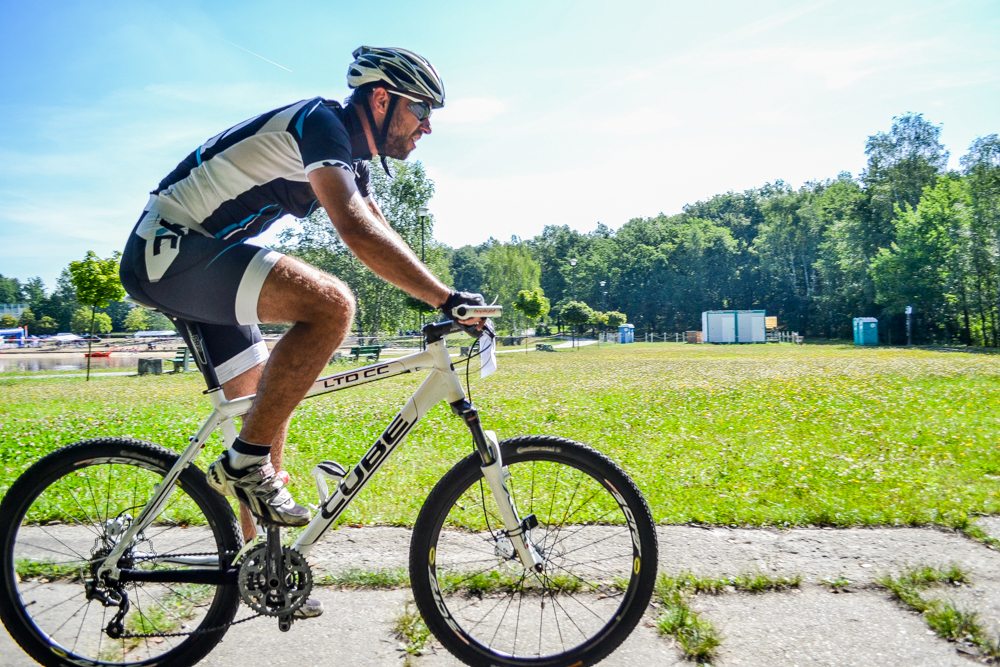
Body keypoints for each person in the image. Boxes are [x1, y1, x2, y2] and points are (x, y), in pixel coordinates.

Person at [118, 47, 484, 615]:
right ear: (382, 100)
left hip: (199, 256)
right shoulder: (321, 123)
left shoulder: (351, 159)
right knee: (332, 307)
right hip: (169, 249)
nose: (427, 127)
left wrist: (450, 298)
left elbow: (381, 236)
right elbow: (356, 233)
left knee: (265, 414)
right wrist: (444, 299)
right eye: (421, 110)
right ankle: (245, 466)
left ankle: (259, 573)